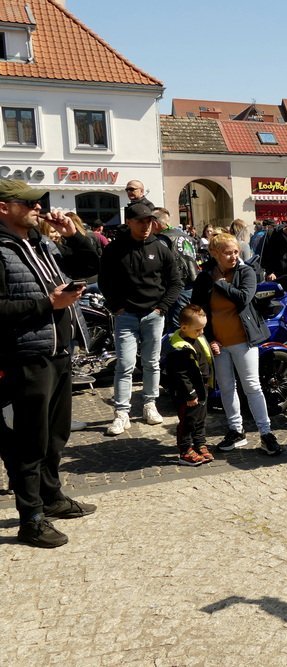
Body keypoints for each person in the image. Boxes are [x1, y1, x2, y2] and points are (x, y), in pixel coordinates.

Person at [0, 179, 101, 548]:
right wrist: (47, 304)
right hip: (25, 357)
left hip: (58, 352)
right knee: (29, 442)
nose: (38, 207)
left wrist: (73, 236)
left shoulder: (39, 242)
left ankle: (52, 498)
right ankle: (32, 519)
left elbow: (91, 266)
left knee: (56, 435)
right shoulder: (1, 248)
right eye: (27, 203)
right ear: (3, 207)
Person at [191, 233, 283, 455]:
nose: (233, 256)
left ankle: (266, 432)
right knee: (226, 387)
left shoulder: (245, 272)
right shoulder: (205, 278)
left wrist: (221, 284)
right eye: (227, 252)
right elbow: (199, 309)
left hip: (244, 339)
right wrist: (210, 338)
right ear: (215, 253)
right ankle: (236, 430)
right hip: (219, 343)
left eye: (235, 252)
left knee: (252, 386)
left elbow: (243, 298)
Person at [99, 202, 182, 436]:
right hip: (126, 316)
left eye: (149, 221)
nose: (146, 225)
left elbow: (175, 282)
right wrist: (116, 307)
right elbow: (105, 282)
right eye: (141, 221)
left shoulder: (162, 247)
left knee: (152, 363)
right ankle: (121, 413)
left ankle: (149, 404)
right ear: (129, 222)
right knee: (125, 365)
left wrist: (162, 308)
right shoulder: (114, 249)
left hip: (153, 315)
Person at [165, 304, 215, 466]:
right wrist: (190, 395)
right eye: (198, 330)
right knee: (188, 420)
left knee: (201, 418)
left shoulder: (197, 337)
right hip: (188, 393)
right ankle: (185, 450)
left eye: (203, 329)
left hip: (202, 386)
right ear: (184, 327)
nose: (201, 333)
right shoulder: (179, 348)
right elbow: (181, 375)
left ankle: (200, 443)